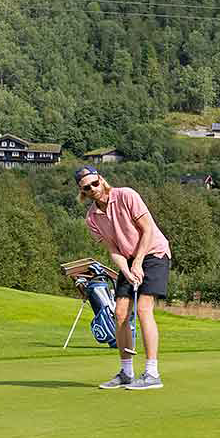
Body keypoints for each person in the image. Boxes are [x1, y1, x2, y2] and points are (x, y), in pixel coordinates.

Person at [76, 165, 172, 391]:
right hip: (128, 259)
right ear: (83, 192)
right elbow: (113, 249)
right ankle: (126, 372)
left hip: (154, 253)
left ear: (101, 179)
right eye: (86, 188)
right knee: (120, 313)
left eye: (94, 183)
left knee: (143, 309)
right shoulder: (92, 218)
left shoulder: (126, 195)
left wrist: (138, 263)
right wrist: (128, 271)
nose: (93, 189)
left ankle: (152, 373)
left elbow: (147, 230)